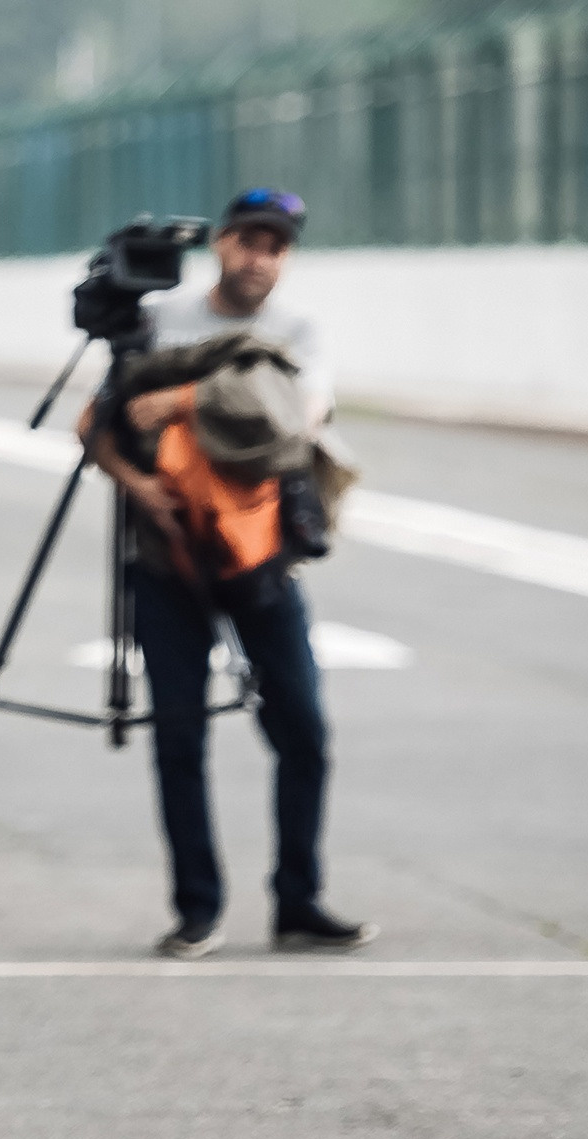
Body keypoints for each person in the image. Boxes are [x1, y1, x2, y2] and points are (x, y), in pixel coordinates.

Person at [84, 187, 378, 959]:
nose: (261, 257)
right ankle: (198, 909)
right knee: (178, 739)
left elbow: (296, 417)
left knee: (305, 734)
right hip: (165, 554)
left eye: (277, 246)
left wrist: (183, 397)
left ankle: (298, 901)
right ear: (220, 243)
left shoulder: (298, 330)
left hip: (262, 553)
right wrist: (137, 484)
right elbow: (98, 425)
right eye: (249, 240)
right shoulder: (158, 319)